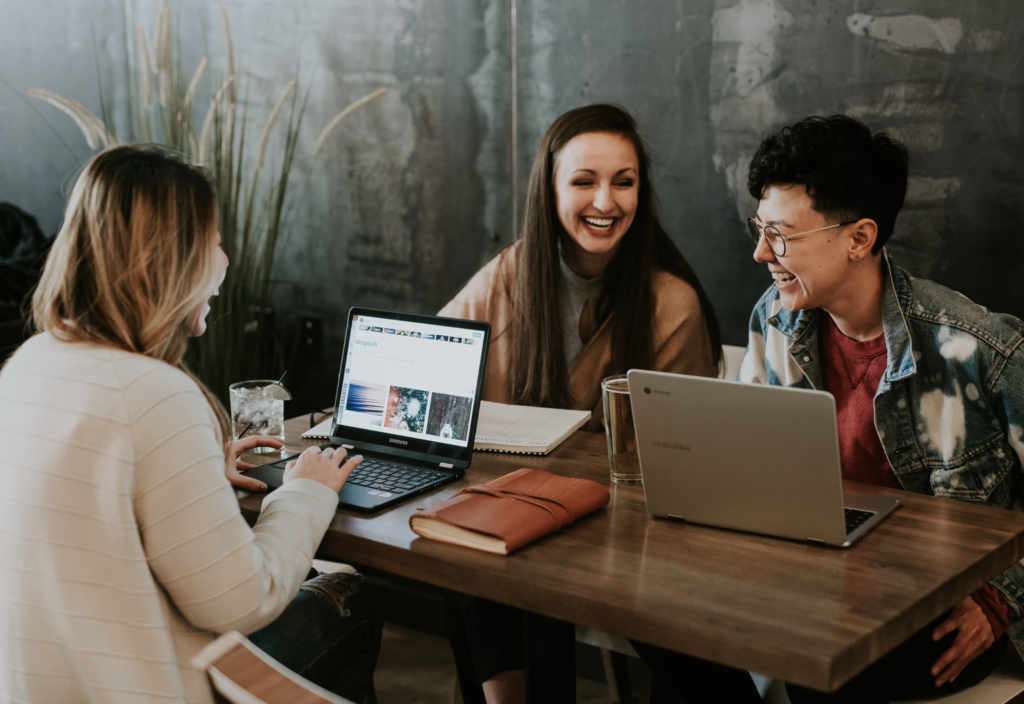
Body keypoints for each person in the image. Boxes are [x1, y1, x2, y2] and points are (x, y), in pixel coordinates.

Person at [636, 114, 1024, 703]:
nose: (761, 252)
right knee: (655, 614)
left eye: (782, 235)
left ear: (859, 239)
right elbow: (747, 469)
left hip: (936, 602)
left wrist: (1002, 598)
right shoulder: (775, 317)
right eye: (759, 229)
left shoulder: (978, 349)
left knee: (827, 656)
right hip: (813, 577)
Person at [0, 144, 381, 704]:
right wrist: (302, 493)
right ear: (161, 262)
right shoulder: (157, 395)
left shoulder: (28, 363)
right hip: (143, 686)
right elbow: (241, 601)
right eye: (214, 242)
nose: (224, 261)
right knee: (353, 594)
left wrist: (197, 466)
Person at [440, 103, 723, 704]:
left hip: (624, 536)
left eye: (624, 182)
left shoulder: (671, 304)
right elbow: (436, 365)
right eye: (583, 181)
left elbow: (680, 463)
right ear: (549, 189)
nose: (606, 201)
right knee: (466, 553)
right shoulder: (512, 273)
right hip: (513, 514)